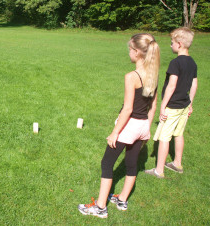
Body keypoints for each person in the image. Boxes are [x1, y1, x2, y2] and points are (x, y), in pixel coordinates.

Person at [78, 33, 160, 218]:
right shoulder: (154, 74)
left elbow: (128, 109)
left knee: (106, 163)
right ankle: (122, 200)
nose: (128, 53)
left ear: (137, 52)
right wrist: (146, 127)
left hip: (129, 126)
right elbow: (153, 106)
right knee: (132, 163)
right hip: (143, 126)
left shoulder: (132, 76)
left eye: (130, 49)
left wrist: (115, 132)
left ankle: (100, 207)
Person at [145, 27, 198, 179]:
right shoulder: (192, 62)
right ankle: (177, 163)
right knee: (179, 134)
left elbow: (172, 85)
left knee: (164, 137)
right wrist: (190, 104)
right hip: (184, 105)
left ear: (179, 44)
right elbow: (194, 85)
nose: (171, 45)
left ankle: (159, 170)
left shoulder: (175, 63)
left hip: (173, 106)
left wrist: (163, 106)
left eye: (172, 42)